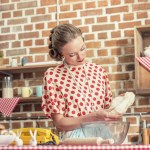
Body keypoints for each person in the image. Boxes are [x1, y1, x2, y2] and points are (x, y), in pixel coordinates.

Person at [41, 23, 122, 140]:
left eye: (82, 48)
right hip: (75, 139)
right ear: (60, 54)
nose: (80, 57)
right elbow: (59, 123)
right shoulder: (53, 76)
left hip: (104, 136)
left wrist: (119, 104)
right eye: (72, 54)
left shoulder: (98, 71)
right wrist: (92, 117)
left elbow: (108, 113)